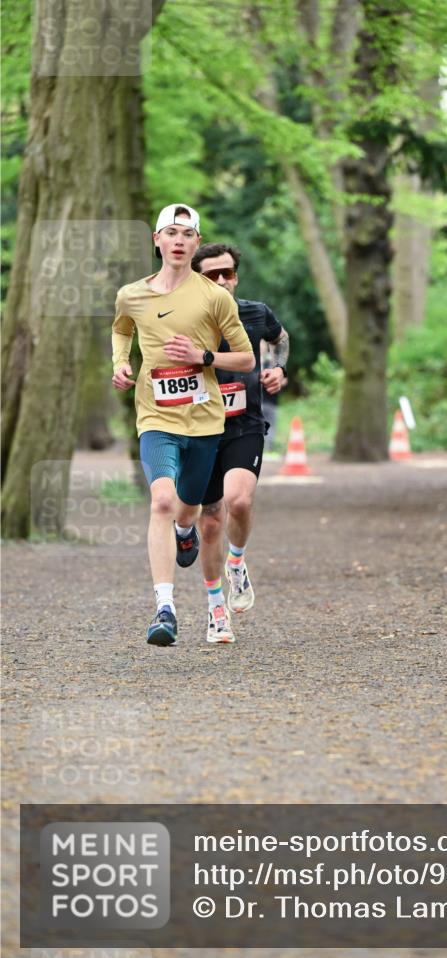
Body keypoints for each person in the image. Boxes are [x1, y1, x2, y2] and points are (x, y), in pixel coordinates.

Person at [111, 205, 254, 647]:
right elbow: (122, 330)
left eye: (186, 234)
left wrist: (204, 357)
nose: (178, 240)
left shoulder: (215, 298)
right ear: (156, 240)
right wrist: (119, 361)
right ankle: (165, 609)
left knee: (189, 510)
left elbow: (246, 358)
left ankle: (185, 532)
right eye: (170, 233)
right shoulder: (131, 294)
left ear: (195, 243)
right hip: (155, 416)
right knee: (161, 502)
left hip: (205, 420)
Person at [191, 242, 289, 644]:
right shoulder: (182, 317)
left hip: (243, 423)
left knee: (241, 501)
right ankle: (216, 609)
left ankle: (237, 561)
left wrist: (278, 368)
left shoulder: (254, 312)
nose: (220, 281)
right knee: (210, 520)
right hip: (198, 427)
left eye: (226, 273)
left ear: (235, 276)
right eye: (210, 274)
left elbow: (280, 338)